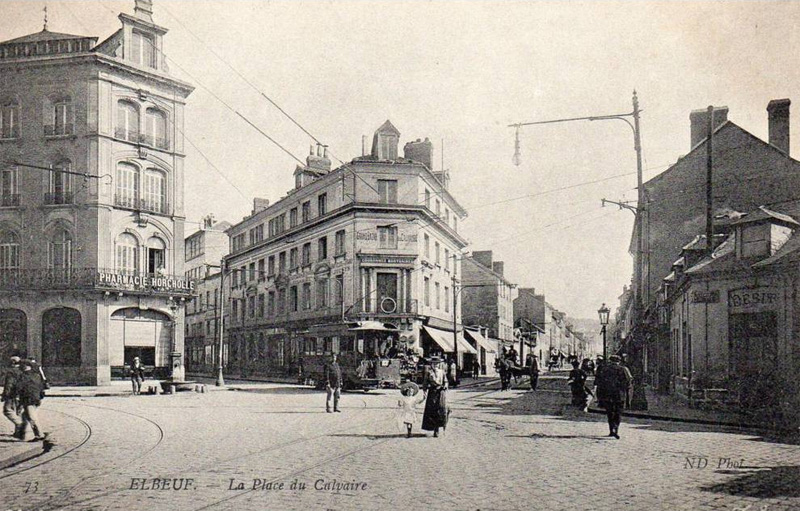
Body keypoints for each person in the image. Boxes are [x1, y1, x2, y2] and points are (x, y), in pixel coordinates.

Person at [594, 355, 633, 439]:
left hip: (607, 394)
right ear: (619, 361)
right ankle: (616, 428)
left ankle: (611, 429)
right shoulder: (624, 369)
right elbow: (628, 382)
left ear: (610, 361)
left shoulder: (604, 369)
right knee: (618, 412)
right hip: (619, 394)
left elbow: (598, 382)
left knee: (610, 412)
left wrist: (599, 396)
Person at [17, 359, 46, 442]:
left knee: (31, 417)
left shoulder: (23, 376)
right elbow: (41, 387)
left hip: (28, 399)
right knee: (25, 415)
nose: (20, 367)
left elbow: (21, 389)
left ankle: (39, 435)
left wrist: (20, 402)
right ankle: (21, 432)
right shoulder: (36, 375)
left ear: (25, 366)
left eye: (22, 365)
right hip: (36, 398)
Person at [421, 357, 449, 437]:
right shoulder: (429, 373)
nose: (435, 365)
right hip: (432, 392)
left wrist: (445, 386)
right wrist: (424, 391)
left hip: (440, 392)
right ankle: (433, 428)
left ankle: (437, 428)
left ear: (439, 364)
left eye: (437, 363)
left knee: (440, 410)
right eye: (434, 364)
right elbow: (425, 382)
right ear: (431, 365)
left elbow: (445, 381)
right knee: (432, 410)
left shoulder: (442, 372)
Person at [2, 356, 24, 439]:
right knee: (18, 412)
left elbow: (9, 384)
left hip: (12, 394)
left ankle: (20, 425)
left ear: (13, 362)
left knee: (7, 410)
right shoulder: (23, 371)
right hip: (22, 394)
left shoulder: (11, 372)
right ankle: (18, 433)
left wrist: (5, 395)